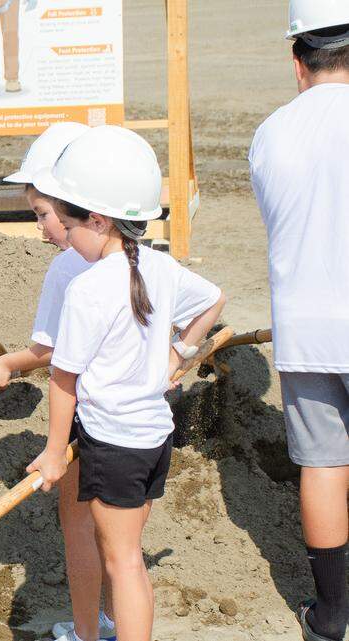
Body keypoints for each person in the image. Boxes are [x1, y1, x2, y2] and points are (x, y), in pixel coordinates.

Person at [27, 125, 225, 641]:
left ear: (98, 219)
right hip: (155, 438)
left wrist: (53, 452)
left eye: (69, 228)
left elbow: (63, 378)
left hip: (112, 443)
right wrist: (176, 357)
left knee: (124, 565)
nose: (65, 239)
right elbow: (211, 301)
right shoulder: (160, 266)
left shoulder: (89, 288)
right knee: (130, 557)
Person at [0, 121, 118, 641]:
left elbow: (52, 353)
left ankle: (87, 631)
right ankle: (119, 623)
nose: (39, 227)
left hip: (87, 419)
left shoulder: (68, 269)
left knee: (79, 526)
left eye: (42, 214)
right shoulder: (141, 260)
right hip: (137, 427)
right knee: (122, 541)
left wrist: (8, 364)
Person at [250, 2, 349, 639]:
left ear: (298, 61)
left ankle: (333, 615)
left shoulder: (272, 134)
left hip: (307, 325)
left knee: (323, 465)